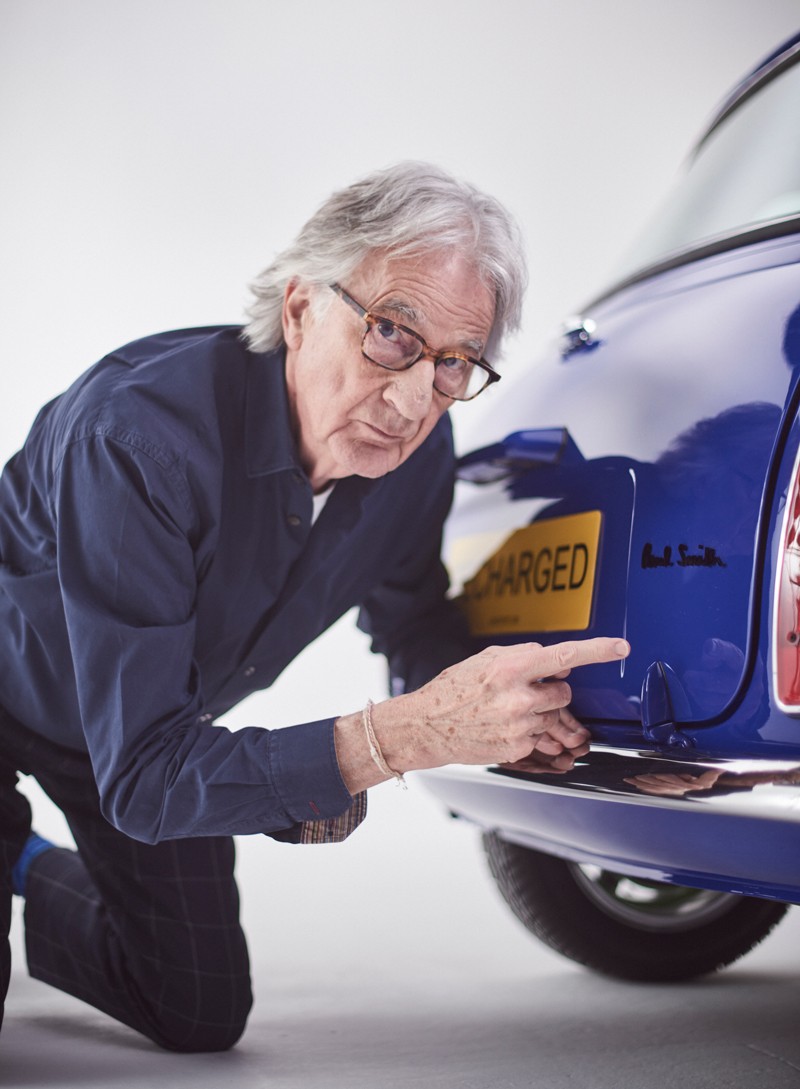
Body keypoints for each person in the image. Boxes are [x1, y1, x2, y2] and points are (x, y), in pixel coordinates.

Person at [0, 161, 629, 1051]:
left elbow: (412, 621)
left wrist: (520, 723)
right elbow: (144, 777)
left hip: (146, 725)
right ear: (299, 311)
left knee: (198, 1009)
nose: (416, 400)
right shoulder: (135, 436)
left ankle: (24, 864)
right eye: (392, 334)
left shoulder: (417, 454)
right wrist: (401, 737)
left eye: (454, 364)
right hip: (20, 682)